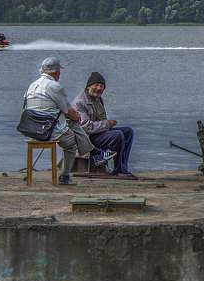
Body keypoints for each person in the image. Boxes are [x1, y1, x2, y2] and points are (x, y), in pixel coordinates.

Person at [24, 56, 113, 185]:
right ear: (56, 72)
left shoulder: (31, 86)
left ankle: (97, 153)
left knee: (71, 124)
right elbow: (70, 112)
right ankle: (66, 175)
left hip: (31, 129)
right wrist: (76, 116)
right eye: (59, 71)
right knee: (71, 142)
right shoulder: (55, 87)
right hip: (47, 131)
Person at [73, 71, 138, 179]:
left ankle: (122, 168)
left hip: (99, 133)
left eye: (101, 86)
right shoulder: (80, 102)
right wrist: (107, 124)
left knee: (128, 131)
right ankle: (119, 170)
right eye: (96, 85)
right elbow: (86, 127)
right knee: (117, 135)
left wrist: (106, 126)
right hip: (87, 138)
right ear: (89, 86)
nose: (98, 88)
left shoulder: (97, 99)